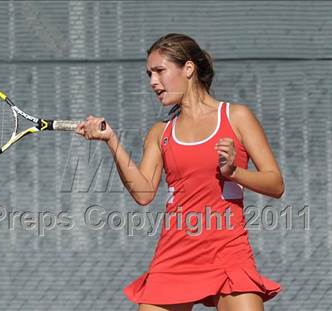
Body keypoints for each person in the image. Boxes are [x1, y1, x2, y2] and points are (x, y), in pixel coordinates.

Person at [75, 33, 284, 311]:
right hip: (174, 256)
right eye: (149, 74)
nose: (152, 81)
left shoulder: (236, 117)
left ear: (188, 69)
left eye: (160, 71)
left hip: (228, 253)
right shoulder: (160, 132)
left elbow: (275, 183)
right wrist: (112, 140)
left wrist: (234, 172)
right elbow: (144, 193)